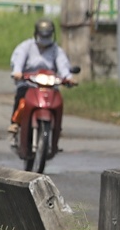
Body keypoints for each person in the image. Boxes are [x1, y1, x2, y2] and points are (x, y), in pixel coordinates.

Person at [9, 19, 77, 147]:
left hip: (49, 85)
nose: (45, 38)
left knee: (58, 101)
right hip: (29, 82)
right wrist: (17, 72)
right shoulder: (27, 46)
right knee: (21, 97)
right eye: (42, 35)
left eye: (48, 35)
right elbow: (18, 60)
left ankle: (57, 128)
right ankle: (15, 123)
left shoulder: (56, 50)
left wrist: (68, 77)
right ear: (36, 34)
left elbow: (63, 65)